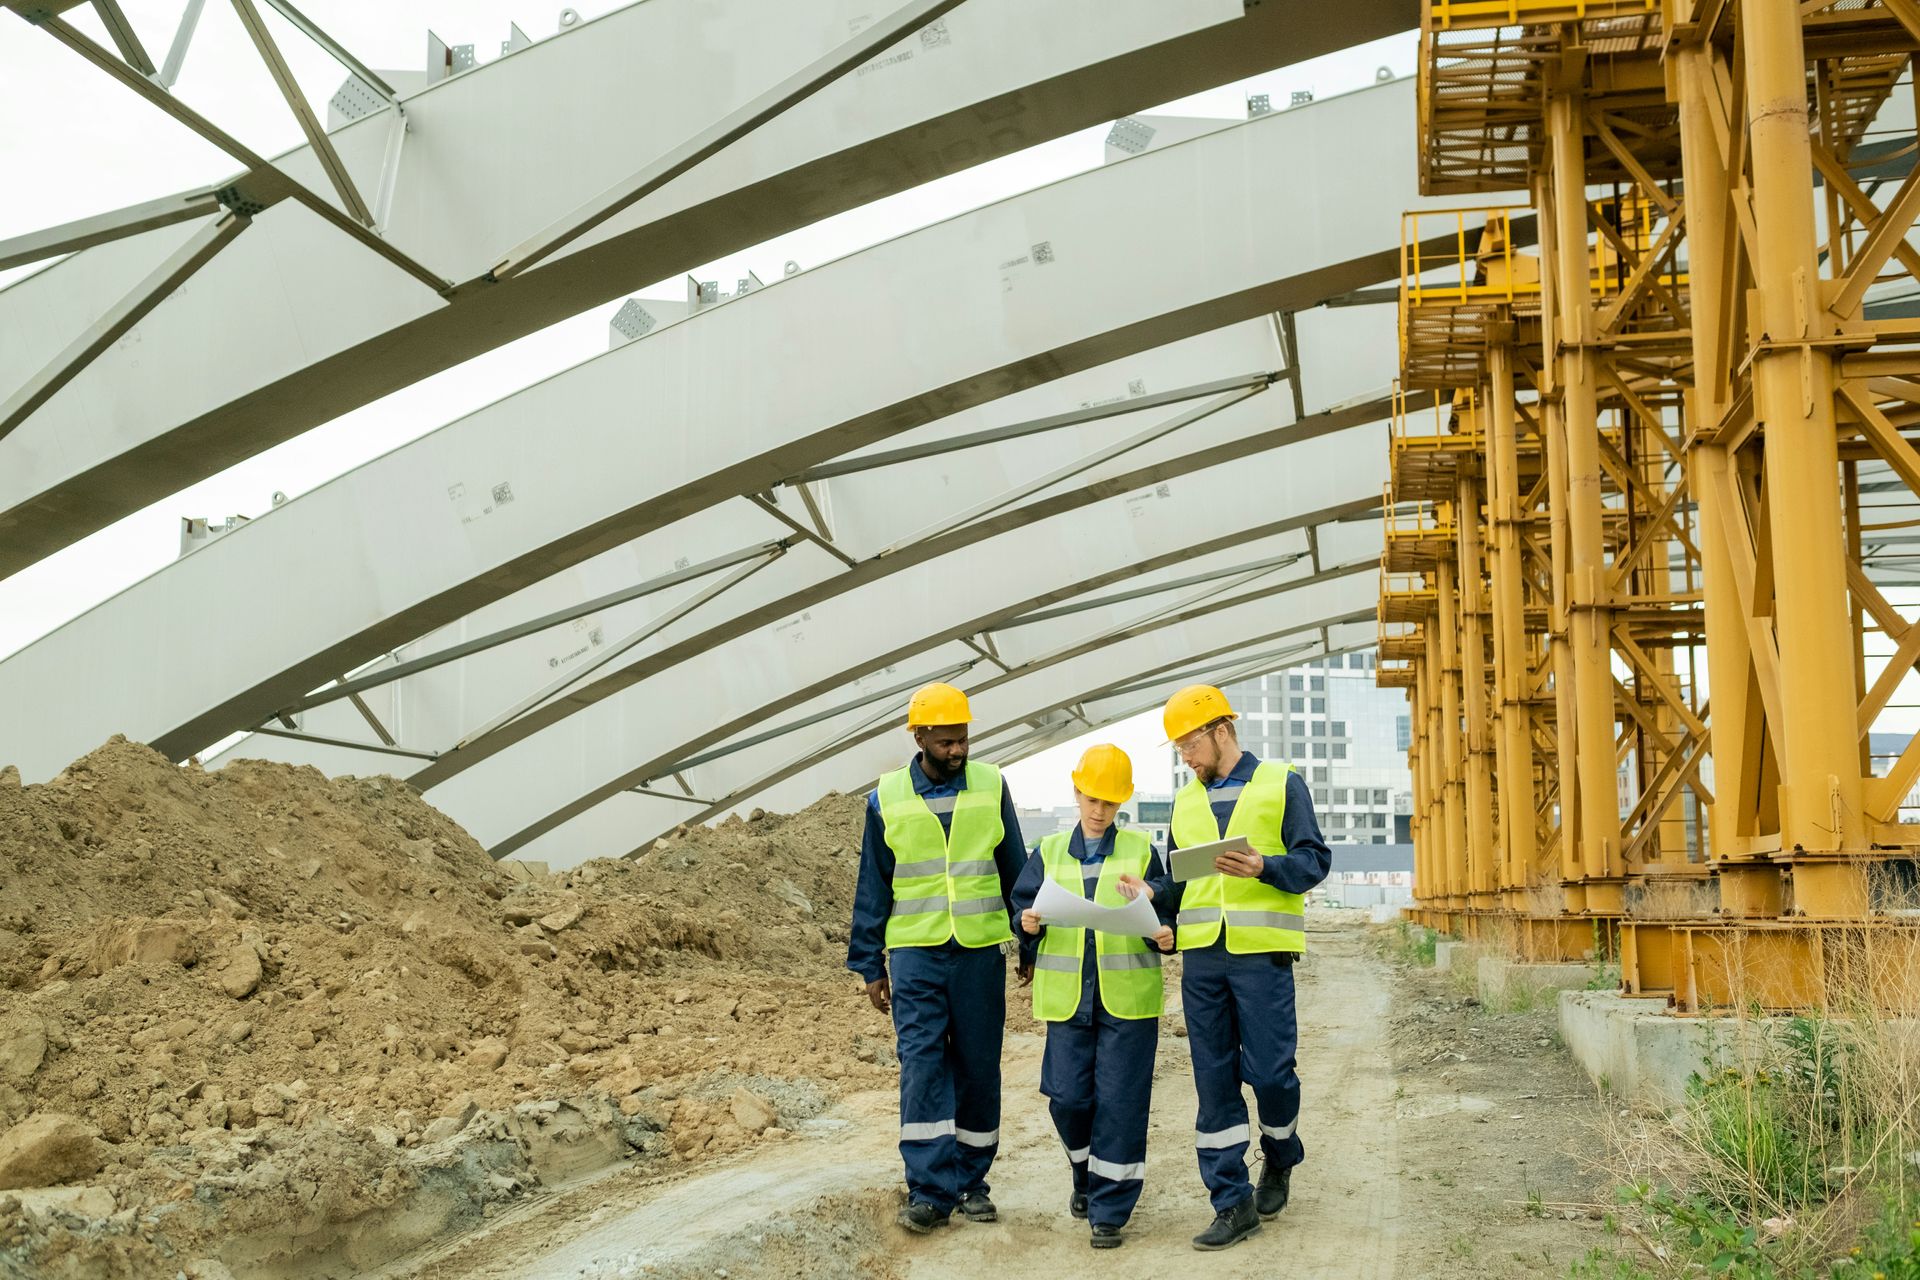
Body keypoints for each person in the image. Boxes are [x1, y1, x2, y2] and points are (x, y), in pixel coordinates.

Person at [1144, 683, 1331, 1251]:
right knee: (1214, 1080)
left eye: (1189, 744)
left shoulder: (1281, 783)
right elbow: (1178, 882)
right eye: (1178, 749)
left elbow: (1313, 860)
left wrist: (1264, 867)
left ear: (1221, 731)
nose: (1185, 756)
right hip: (1202, 960)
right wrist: (1151, 901)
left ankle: (1279, 1157)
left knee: (1272, 1074)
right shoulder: (1184, 802)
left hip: (1262, 958)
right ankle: (1231, 1201)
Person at [847, 682, 1027, 1233]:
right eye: (946, 742)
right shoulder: (886, 798)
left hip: (977, 953)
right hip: (915, 955)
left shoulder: (992, 786)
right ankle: (929, 1189)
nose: (958, 750)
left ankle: (972, 1181)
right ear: (919, 737)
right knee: (923, 1067)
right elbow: (872, 886)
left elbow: (1015, 870)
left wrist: (1030, 941)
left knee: (977, 1068)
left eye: (964, 740)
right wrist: (869, 964)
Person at [1009, 744, 1173, 1250]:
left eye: (1110, 802)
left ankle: (1109, 1210)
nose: (1099, 810)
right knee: (1067, 1099)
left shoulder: (1142, 851)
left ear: (1122, 803)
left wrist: (1163, 931)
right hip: (1068, 1000)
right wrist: (1027, 924)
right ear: (1076, 792)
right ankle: (1084, 1172)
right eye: (1092, 798)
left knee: (1121, 1106)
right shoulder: (1050, 852)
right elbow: (1021, 908)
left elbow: (1166, 913)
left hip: (1127, 999)